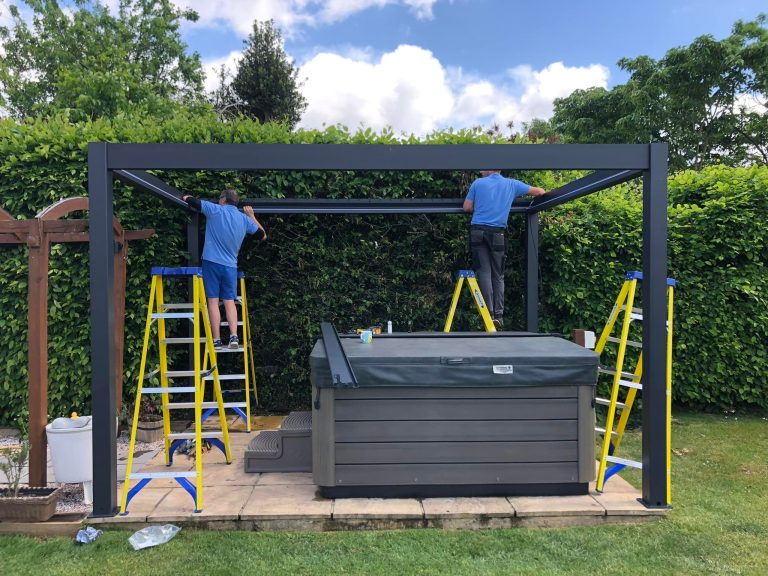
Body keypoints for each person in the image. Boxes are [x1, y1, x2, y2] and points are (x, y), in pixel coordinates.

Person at [463, 171, 547, 330]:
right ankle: (499, 316)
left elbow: (467, 207)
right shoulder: (512, 184)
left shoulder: (477, 183)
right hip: (497, 234)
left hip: (478, 232)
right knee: (498, 275)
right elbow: (539, 192)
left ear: (488, 169)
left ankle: (488, 315)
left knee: (484, 272)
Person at [182, 189, 266, 349]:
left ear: (223, 199)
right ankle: (234, 336)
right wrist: (252, 216)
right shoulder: (243, 219)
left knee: (213, 301)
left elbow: (193, 201)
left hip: (211, 262)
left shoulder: (215, 210)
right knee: (229, 301)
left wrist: (185, 196)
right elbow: (262, 235)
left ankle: (217, 339)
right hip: (230, 266)